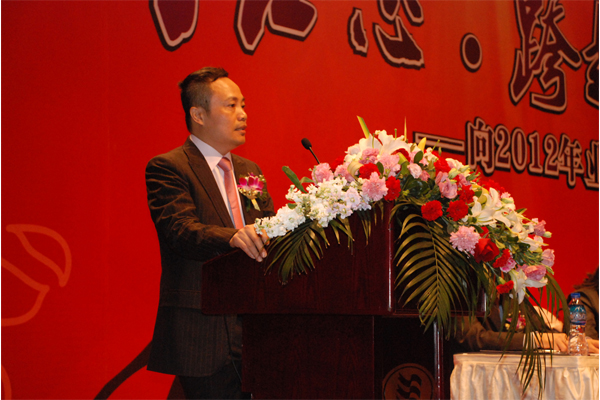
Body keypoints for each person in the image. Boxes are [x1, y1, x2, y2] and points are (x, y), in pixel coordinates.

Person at [145, 67, 275, 399]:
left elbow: (267, 226)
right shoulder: (169, 167)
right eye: (231, 106)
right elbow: (180, 231)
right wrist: (232, 236)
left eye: (243, 105)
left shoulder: (249, 170)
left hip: (255, 329)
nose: (243, 114)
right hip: (202, 330)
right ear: (198, 115)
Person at [453, 302, 569, 353]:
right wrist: (533, 340)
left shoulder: (512, 290)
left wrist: (565, 340)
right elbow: (475, 338)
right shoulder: (463, 289)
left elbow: (542, 331)